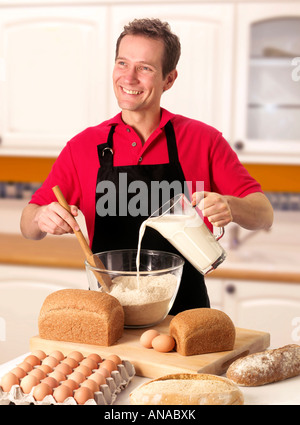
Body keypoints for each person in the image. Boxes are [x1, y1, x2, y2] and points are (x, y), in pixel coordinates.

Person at [20, 18, 273, 314]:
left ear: (169, 79)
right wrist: (41, 217)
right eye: (122, 63)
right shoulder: (83, 147)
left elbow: (264, 214)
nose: (128, 78)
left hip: (186, 315)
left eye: (145, 68)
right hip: (109, 315)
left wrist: (232, 206)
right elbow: (28, 225)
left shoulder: (203, 141)